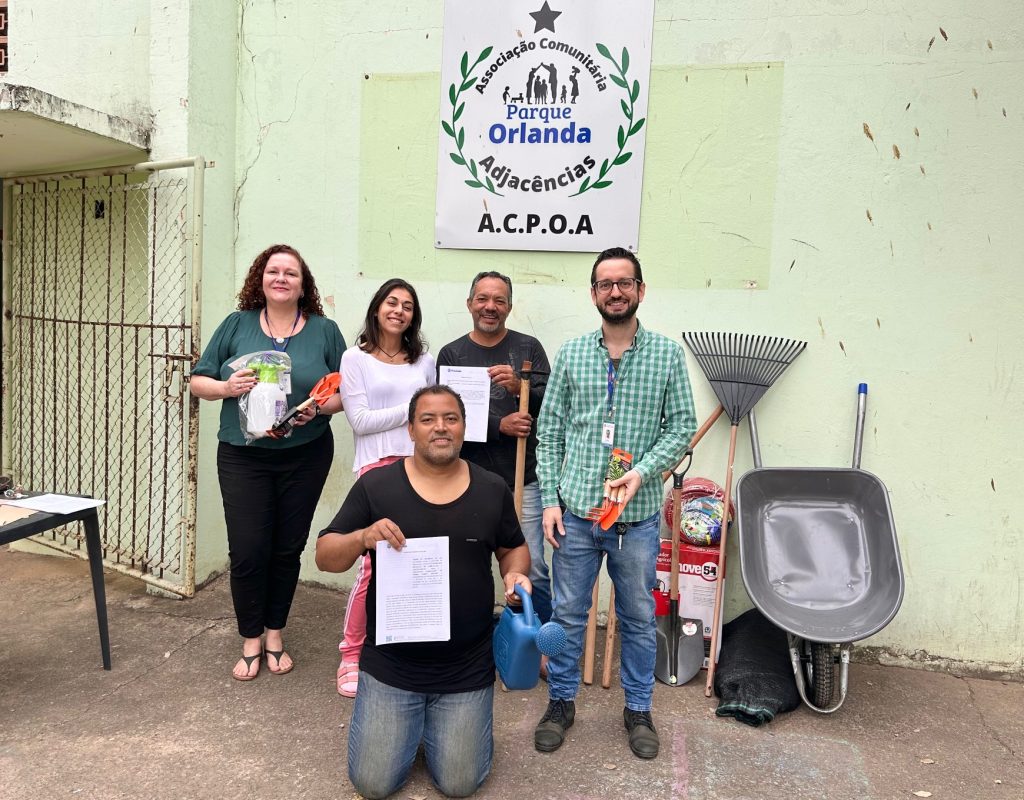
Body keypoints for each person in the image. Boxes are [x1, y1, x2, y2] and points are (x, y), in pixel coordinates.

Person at [316, 385, 530, 799]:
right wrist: (362, 536)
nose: (441, 427)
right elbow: (326, 556)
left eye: (451, 418)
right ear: (411, 429)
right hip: (392, 666)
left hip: (466, 667)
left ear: (464, 428)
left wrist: (516, 575)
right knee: (373, 785)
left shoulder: (491, 488)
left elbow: (513, 547)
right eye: (428, 419)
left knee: (460, 783)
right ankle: (414, 721)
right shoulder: (377, 487)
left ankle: (437, 723)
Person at [533, 247, 696, 759]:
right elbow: (550, 429)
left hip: (637, 518)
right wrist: (551, 500)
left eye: (625, 283)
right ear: (594, 294)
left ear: (640, 290)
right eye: (606, 284)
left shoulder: (667, 355)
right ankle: (561, 701)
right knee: (566, 616)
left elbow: (682, 427)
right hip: (577, 514)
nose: (616, 292)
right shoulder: (573, 353)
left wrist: (641, 471)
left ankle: (639, 708)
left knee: (638, 618)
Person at [190, 243, 346, 681]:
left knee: (286, 548)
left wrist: (321, 407)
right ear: (261, 279)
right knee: (248, 550)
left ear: (303, 284)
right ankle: (250, 638)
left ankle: (275, 632)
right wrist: (228, 386)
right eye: (273, 271)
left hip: (306, 453)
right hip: (244, 456)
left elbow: (344, 391)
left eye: (290, 273)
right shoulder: (236, 325)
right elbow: (198, 382)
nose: (281, 278)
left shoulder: (325, 330)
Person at [335, 278, 435, 697]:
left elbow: (433, 418)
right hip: (376, 469)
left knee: (417, 562)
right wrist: (413, 409)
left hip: (419, 466)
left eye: (407, 305)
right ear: (377, 308)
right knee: (373, 564)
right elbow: (359, 420)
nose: (399, 310)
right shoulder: (354, 358)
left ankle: (406, 643)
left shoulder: (424, 360)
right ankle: (351, 654)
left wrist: (419, 414)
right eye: (392, 302)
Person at [436, 271, 552, 624]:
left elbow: (553, 406)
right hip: (467, 479)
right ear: (470, 304)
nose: (490, 307)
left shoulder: (528, 348)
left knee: (531, 567)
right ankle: (470, 639)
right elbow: (444, 418)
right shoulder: (452, 354)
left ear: (509, 307)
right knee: (467, 567)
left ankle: (535, 643)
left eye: (499, 300)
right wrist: (497, 426)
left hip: (522, 479)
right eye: (483, 299)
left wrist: (521, 389)